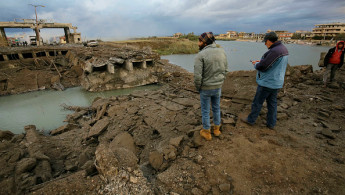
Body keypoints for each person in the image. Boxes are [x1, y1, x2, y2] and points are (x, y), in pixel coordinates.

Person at [241, 32, 289, 130]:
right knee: (272, 103)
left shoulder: (275, 51)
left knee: (257, 102)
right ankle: (271, 123)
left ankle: (251, 120)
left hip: (267, 82)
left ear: (269, 41)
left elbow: (263, 67)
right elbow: (272, 63)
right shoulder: (283, 48)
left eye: (265, 42)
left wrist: (256, 64)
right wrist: (260, 61)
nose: (265, 44)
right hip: (276, 82)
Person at [194, 32, 228, 141]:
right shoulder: (222, 51)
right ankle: (217, 130)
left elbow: (197, 76)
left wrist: (198, 87)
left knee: (205, 110)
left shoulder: (200, 55)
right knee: (216, 108)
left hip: (205, 88)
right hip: (218, 87)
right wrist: (220, 81)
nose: (198, 43)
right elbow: (225, 70)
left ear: (204, 43)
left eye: (199, 41)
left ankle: (207, 132)